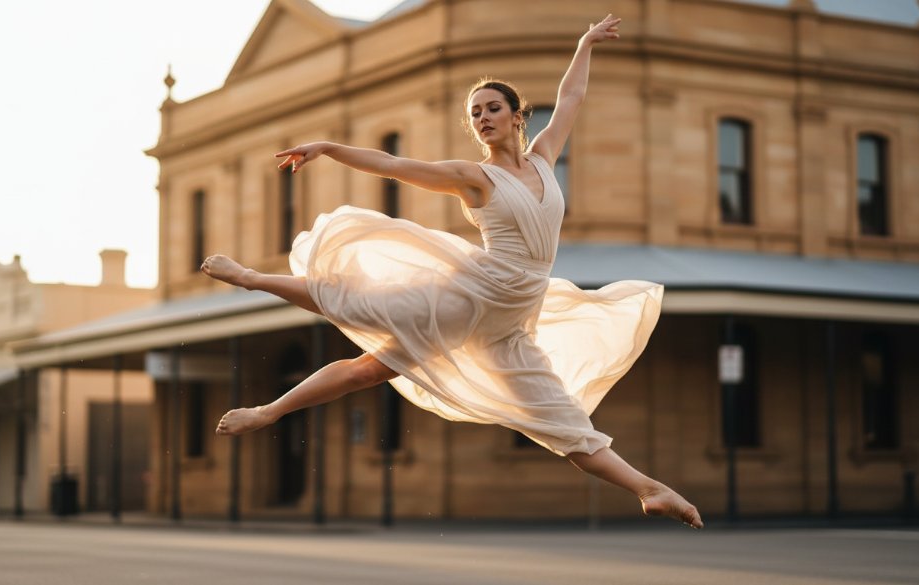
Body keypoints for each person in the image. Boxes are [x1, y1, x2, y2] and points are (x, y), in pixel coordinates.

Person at [202, 14, 703, 529]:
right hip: (472, 295)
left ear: (516, 116)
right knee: (365, 346)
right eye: (475, 113)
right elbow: (395, 165)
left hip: (512, 320)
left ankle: (650, 489)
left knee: (562, 421)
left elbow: (571, 99)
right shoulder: (474, 178)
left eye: (492, 109)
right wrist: (329, 148)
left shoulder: (545, 159)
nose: (483, 118)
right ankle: (255, 304)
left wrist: (585, 44)